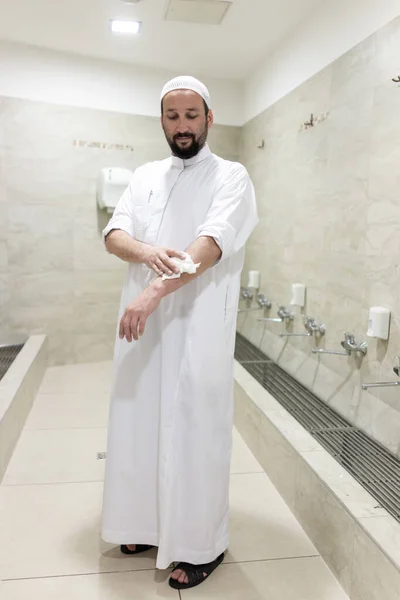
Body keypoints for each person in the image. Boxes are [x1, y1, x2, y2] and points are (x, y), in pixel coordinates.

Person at [101, 75, 258, 590]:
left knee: (195, 431)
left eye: (192, 116)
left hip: (197, 327)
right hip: (142, 332)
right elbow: (115, 233)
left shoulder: (231, 176)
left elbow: (212, 244)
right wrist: (146, 252)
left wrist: (152, 291)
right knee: (138, 424)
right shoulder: (145, 175)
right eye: (173, 116)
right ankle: (142, 525)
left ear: (209, 118)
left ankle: (200, 544)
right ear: (163, 121)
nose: (183, 126)